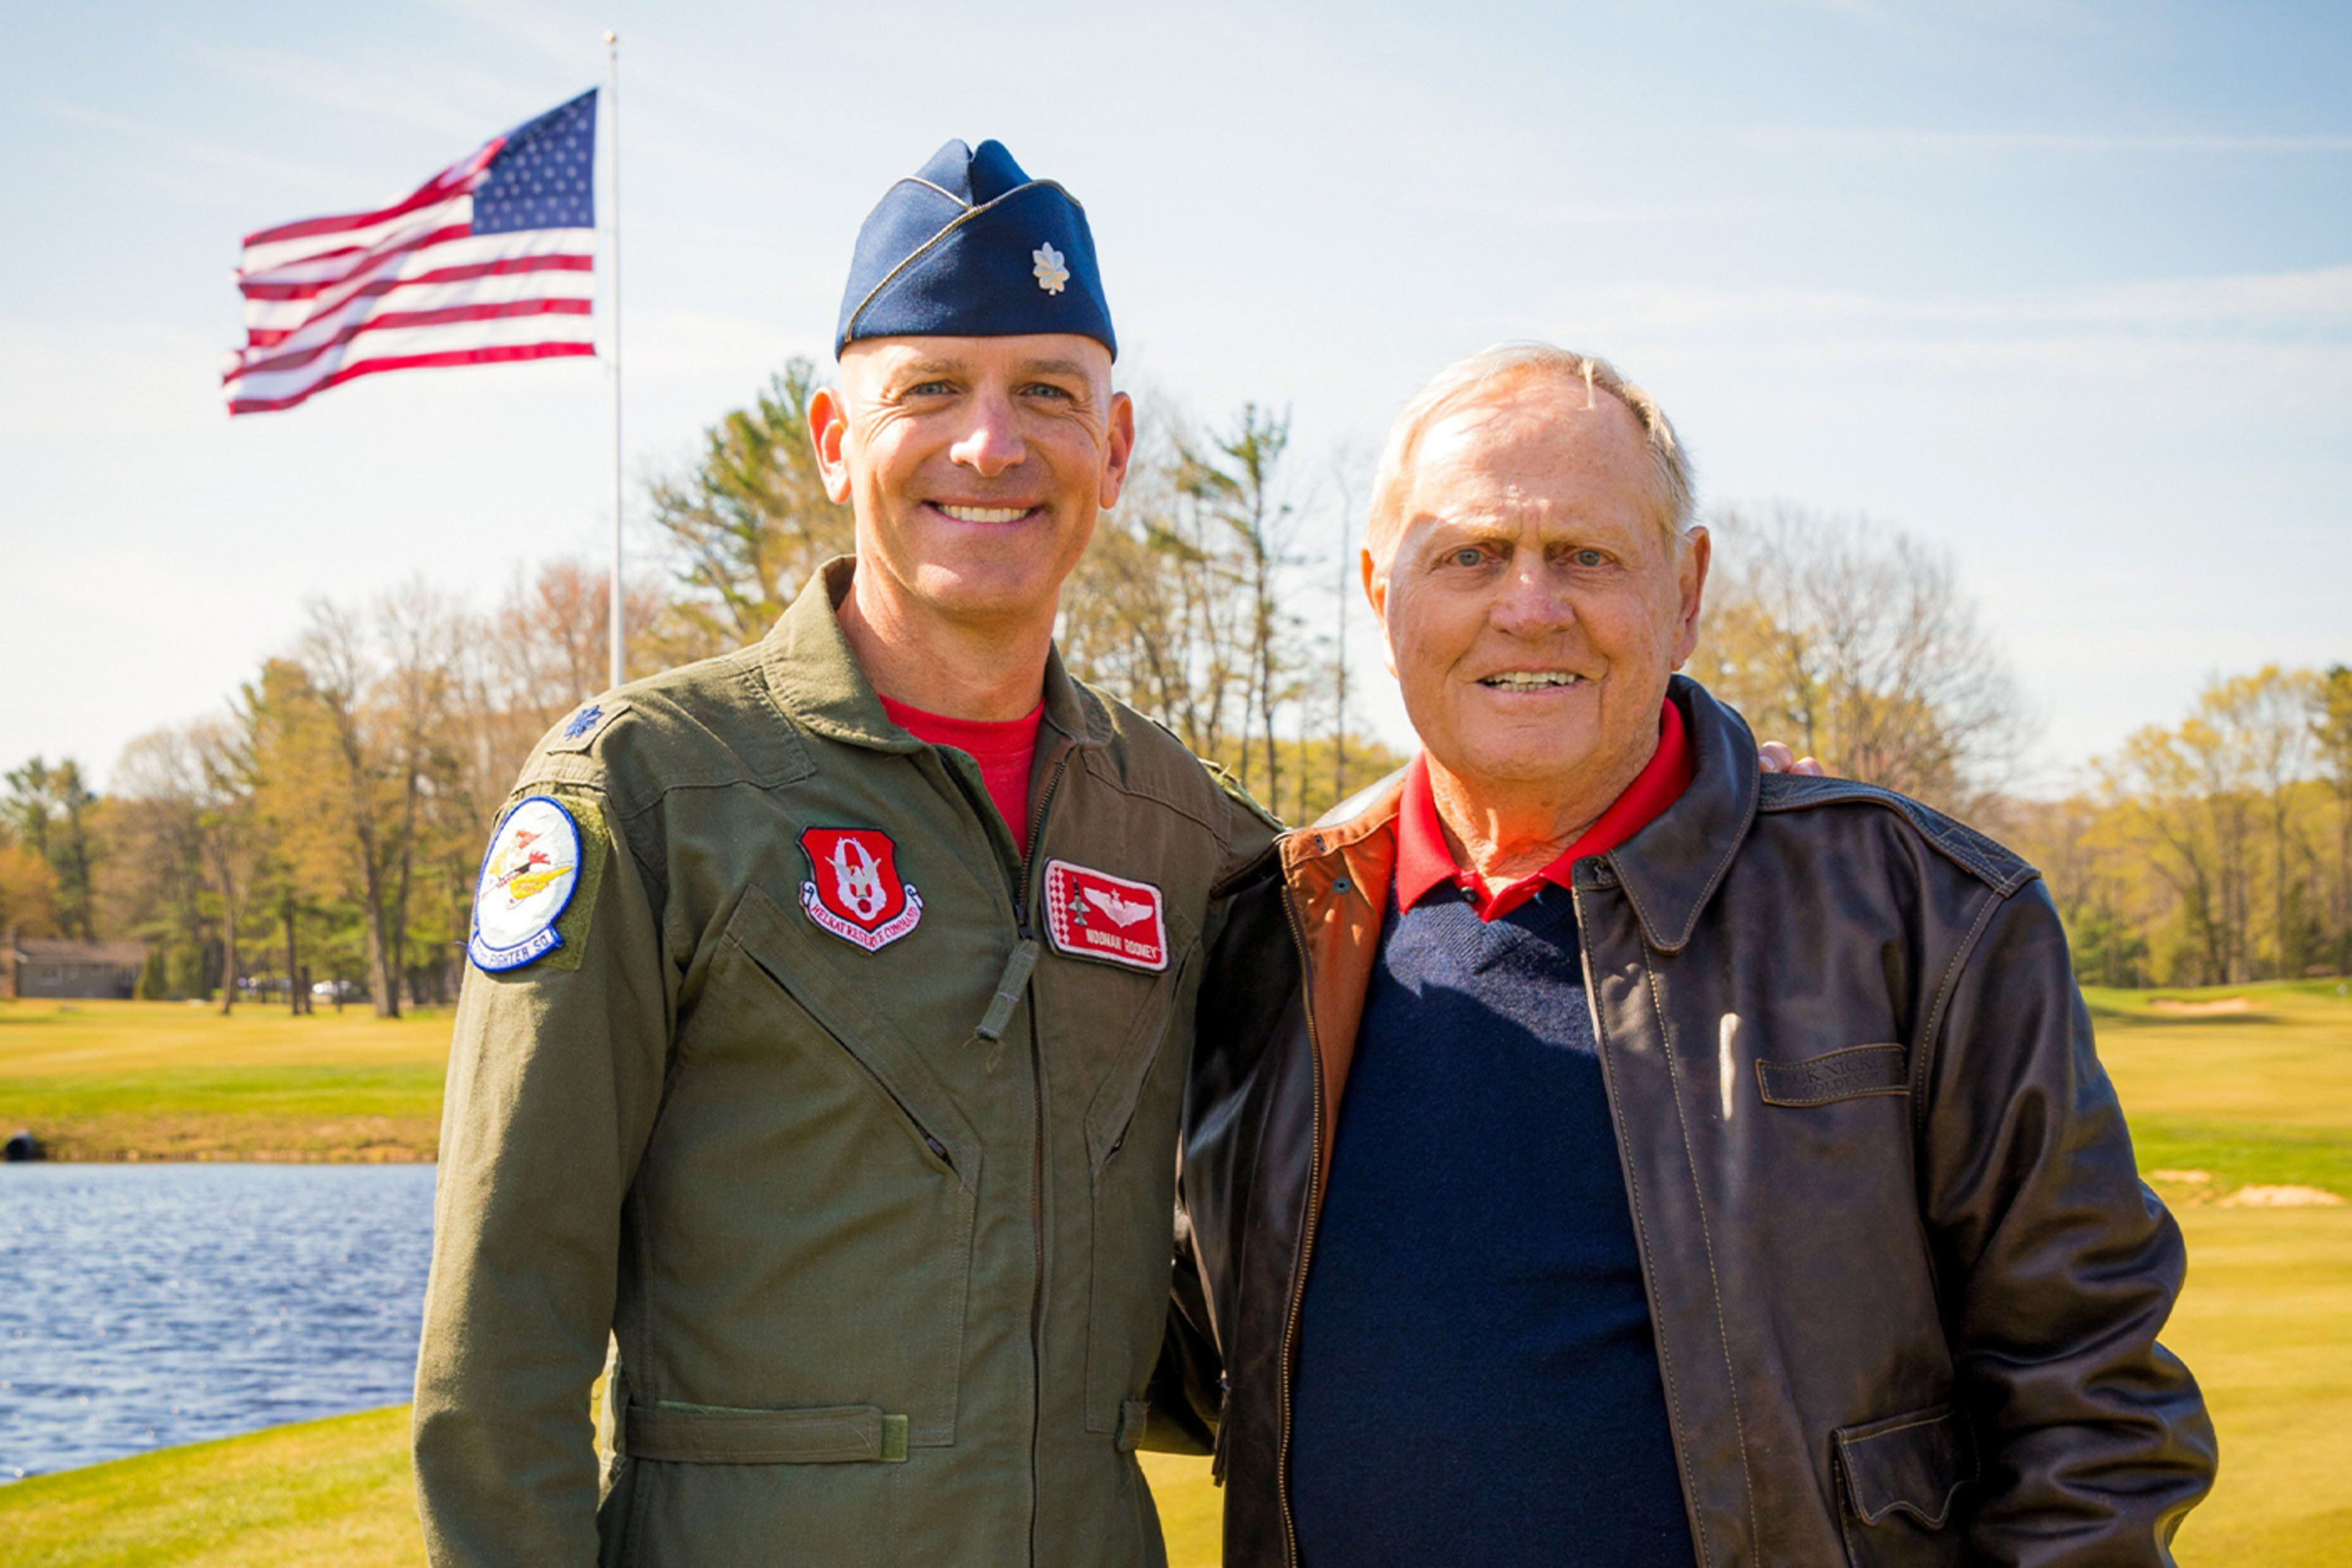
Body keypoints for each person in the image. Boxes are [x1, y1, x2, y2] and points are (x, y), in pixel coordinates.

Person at [1172, 343, 2217, 1566]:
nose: (1529, 604)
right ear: (1378, 585)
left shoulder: (1920, 913)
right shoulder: (1274, 930)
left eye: (1586, 554)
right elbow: (1167, 1344)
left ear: (1687, 588)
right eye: (1470, 554)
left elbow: (2092, 1409)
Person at [413, 137, 1277, 1567]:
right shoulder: (651, 793)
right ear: (832, 438)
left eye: (1048, 395)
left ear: (1114, 449)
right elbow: (500, 1343)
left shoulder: (1188, 832)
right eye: (929, 388)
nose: (991, 445)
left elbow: (1251, 1277)